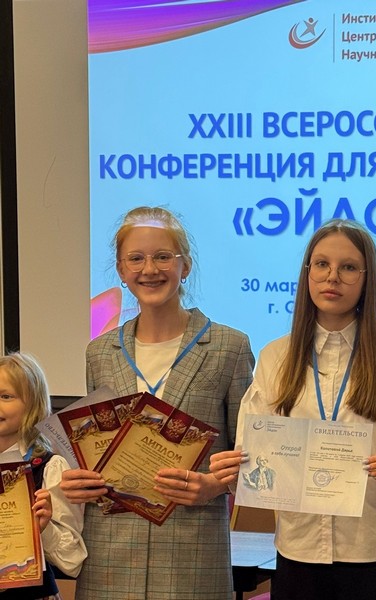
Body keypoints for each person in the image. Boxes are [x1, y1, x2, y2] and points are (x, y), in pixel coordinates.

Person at [210, 219, 376, 600]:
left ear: (367, 278)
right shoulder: (275, 357)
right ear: (307, 273)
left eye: (348, 267)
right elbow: (255, 450)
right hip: (298, 552)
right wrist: (235, 469)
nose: (333, 277)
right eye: (321, 264)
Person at [60, 206, 255, 600]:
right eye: (136, 258)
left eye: (163, 256)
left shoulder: (229, 347)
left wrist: (213, 486)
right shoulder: (100, 352)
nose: (149, 269)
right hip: (109, 554)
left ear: (185, 266)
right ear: (121, 270)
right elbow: (95, 451)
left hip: (191, 552)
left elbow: (251, 458)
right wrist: (80, 483)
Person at [0, 352, 86, 600]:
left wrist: (43, 529)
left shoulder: (50, 467)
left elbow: (72, 562)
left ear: (33, 404)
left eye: (6, 396)